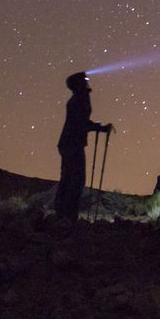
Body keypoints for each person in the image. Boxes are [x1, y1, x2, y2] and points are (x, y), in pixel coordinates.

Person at [54, 71, 113, 221]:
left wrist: (97, 127)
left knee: (68, 178)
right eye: (84, 80)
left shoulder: (76, 99)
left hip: (68, 143)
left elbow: (81, 122)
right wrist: (100, 128)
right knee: (77, 179)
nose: (87, 82)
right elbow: (81, 123)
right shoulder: (79, 99)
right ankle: (68, 215)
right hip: (73, 144)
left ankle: (61, 213)